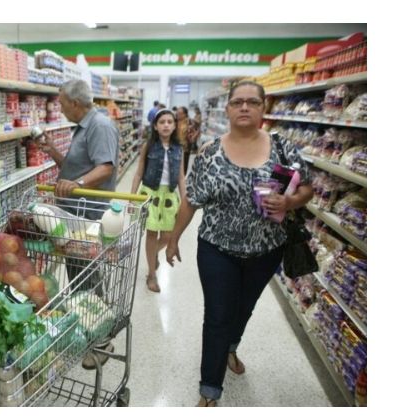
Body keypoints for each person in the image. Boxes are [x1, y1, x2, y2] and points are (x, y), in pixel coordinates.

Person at [165, 81, 314, 407]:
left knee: (244, 309)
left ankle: (231, 347)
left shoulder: (282, 148)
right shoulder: (209, 152)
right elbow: (191, 200)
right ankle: (209, 390)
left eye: (252, 102)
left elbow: (307, 188)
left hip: (266, 250)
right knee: (218, 315)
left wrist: (288, 202)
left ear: (263, 107)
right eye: (237, 102)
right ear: (229, 108)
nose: (244, 107)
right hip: (216, 248)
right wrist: (173, 238)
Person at [39, 78, 119, 370]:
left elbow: (105, 167)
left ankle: (102, 340)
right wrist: (52, 152)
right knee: (80, 276)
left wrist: (79, 184)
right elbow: (75, 170)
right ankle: (90, 328)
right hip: (74, 214)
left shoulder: (100, 125)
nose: (59, 108)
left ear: (75, 102)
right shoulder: (83, 127)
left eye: (61, 103)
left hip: (88, 215)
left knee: (87, 277)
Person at [130, 109, 185, 293]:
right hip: (150, 194)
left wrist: (185, 201)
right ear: (155, 126)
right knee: (152, 234)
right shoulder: (149, 146)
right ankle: (151, 275)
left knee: (168, 236)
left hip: (169, 196)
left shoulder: (179, 148)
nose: (166, 125)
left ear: (175, 126)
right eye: (162, 122)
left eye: (170, 122)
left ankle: (153, 254)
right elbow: (139, 173)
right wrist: (131, 198)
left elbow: (181, 177)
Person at [175, 106, 191, 174]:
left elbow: (193, 135)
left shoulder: (189, 123)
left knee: (183, 166)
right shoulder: (174, 121)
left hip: (184, 148)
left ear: (185, 114)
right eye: (177, 113)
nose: (177, 114)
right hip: (174, 146)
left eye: (179, 113)